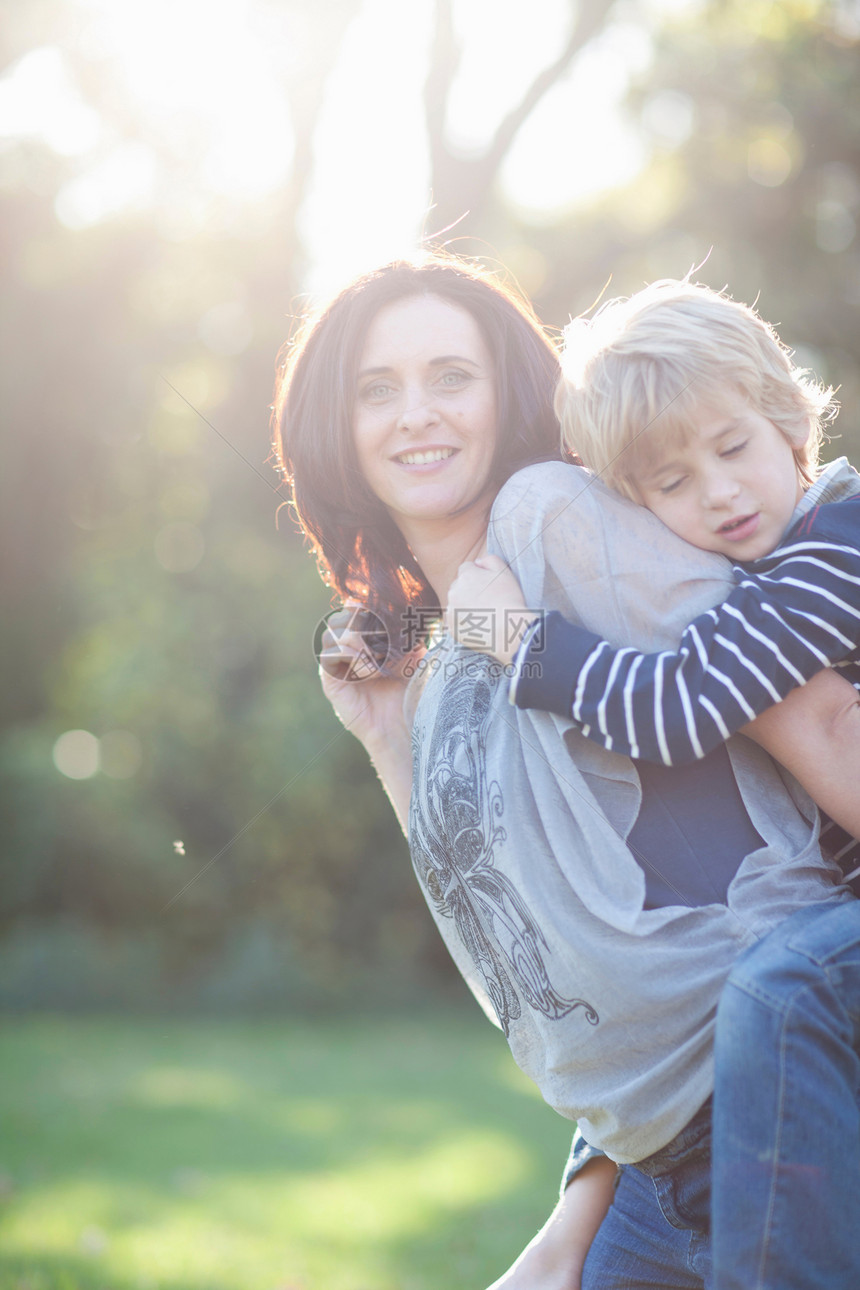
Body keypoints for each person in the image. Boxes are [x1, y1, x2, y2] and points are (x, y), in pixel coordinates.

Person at [272, 253, 860, 1290]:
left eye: (449, 375)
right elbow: (508, 920)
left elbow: (806, 711)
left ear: (508, 391)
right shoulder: (454, 645)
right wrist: (383, 735)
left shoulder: (554, 518)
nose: (415, 414)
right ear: (335, 425)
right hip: (651, 1169)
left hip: (771, 1102)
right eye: (378, 388)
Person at [446, 277, 860, 1288]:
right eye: (668, 484)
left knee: (782, 983)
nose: (716, 493)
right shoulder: (777, 566)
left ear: (788, 423)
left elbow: (669, 708)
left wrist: (514, 641)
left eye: (730, 449)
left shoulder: (825, 561)